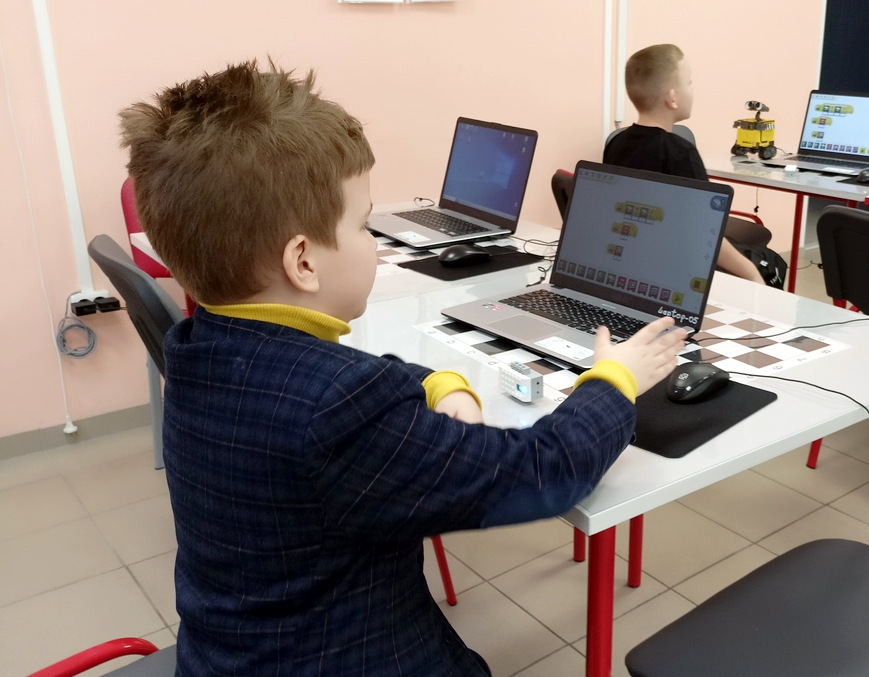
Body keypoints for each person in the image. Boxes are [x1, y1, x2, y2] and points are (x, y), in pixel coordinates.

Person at [119, 60, 685, 676]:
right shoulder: (338, 409)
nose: (375, 242)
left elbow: (333, 381)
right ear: (303, 262)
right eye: (363, 226)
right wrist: (614, 379)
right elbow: (546, 470)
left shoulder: (198, 347)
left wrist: (437, 381)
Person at [604, 43, 767, 284]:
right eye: (689, 82)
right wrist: (751, 272)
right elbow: (706, 234)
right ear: (672, 98)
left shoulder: (616, 143)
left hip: (634, 260)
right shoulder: (680, 153)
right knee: (768, 262)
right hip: (679, 267)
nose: (692, 89)